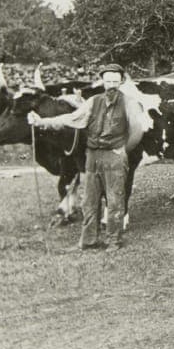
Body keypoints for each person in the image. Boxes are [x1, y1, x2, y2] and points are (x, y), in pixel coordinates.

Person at [28, 64, 130, 250]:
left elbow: (139, 129)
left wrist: (121, 149)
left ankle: (114, 241)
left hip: (114, 156)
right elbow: (72, 118)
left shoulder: (130, 103)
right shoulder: (93, 102)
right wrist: (42, 122)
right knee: (89, 201)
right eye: (108, 81)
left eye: (115, 81)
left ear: (121, 82)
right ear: (103, 82)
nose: (112, 85)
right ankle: (89, 241)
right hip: (92, 156)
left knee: (114, 200)